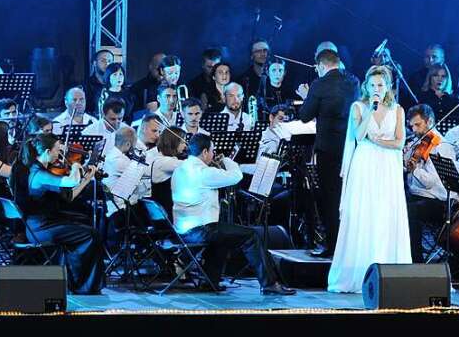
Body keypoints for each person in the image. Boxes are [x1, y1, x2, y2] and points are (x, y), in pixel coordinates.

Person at [171, 133, 293, 294]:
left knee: (223, 238)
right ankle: (269, 283)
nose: (214, 155)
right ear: (205, 152)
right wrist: (227, 161)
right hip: (200, 230)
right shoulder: (203, 172)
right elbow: (236, 176)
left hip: (182, 229)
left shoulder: (180, 169)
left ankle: (210, 281)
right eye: (212, 151)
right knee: (251, 236)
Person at [327, 65, 411, 293]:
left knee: (385, 212)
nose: (376, 88)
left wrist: (379, 142)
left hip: (388, 166)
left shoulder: (398, 110)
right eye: (372, 85)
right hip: (364, 164)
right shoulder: (359, 106)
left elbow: (399, 142)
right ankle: (359, 272)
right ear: (366, 86)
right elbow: (359, 135)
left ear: (388, 87)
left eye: (380, 85)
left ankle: (389, 270)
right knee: (365, 212)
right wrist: (370, 111)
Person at [11, 132, 104, 293]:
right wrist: (75, 166)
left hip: (43, 225)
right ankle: (83, 285)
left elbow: (70, 195)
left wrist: (87, 179)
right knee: (91, 235)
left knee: (86, 229)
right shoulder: (39, 174)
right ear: (47, 152)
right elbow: (71, 181)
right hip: (41, 229)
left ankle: (77, 281)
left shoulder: (37, 169)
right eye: (57, 150)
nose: (60, 154)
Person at [298, 48, 358, 257]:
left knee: (329, 198)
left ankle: (333, 246)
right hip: (351, 148)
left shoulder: (319, 84)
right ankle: (349, 245)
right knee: (347, 197)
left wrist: (307, 96)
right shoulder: (353, 82)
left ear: (321, 66)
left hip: (328, 150)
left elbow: (305, 115)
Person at [404, 104, 459, 263]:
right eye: (412, 125)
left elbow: (431, 182)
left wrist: (414, 169)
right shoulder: (418, 143)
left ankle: (416, 261)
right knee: (394, 204)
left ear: (430, 122)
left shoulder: (441, 147)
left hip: (440, 201)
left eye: (418, 125)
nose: (414, 130)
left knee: (410, 211)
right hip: (420, 195)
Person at [84, 49, 114, 115]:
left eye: (110, 61)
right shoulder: (85, 86)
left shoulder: (117, 84)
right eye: (103, 61)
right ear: (94, 63)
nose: (107, 64)